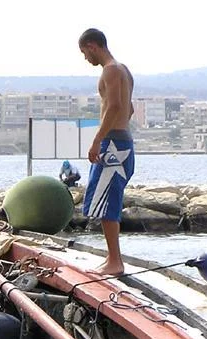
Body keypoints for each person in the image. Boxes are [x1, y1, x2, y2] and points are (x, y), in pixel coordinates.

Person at [78, 27, 135, 276]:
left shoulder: (111, 70)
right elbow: (129, 109)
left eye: (84, 52)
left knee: (107, 201)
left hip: (113, 144)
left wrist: (97, 140)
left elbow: (115, 107)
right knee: (105, 201)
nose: (85, 58)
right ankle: (112, 258)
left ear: (92, 46)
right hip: (122, 142)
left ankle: (115, 263)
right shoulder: (124, 70)